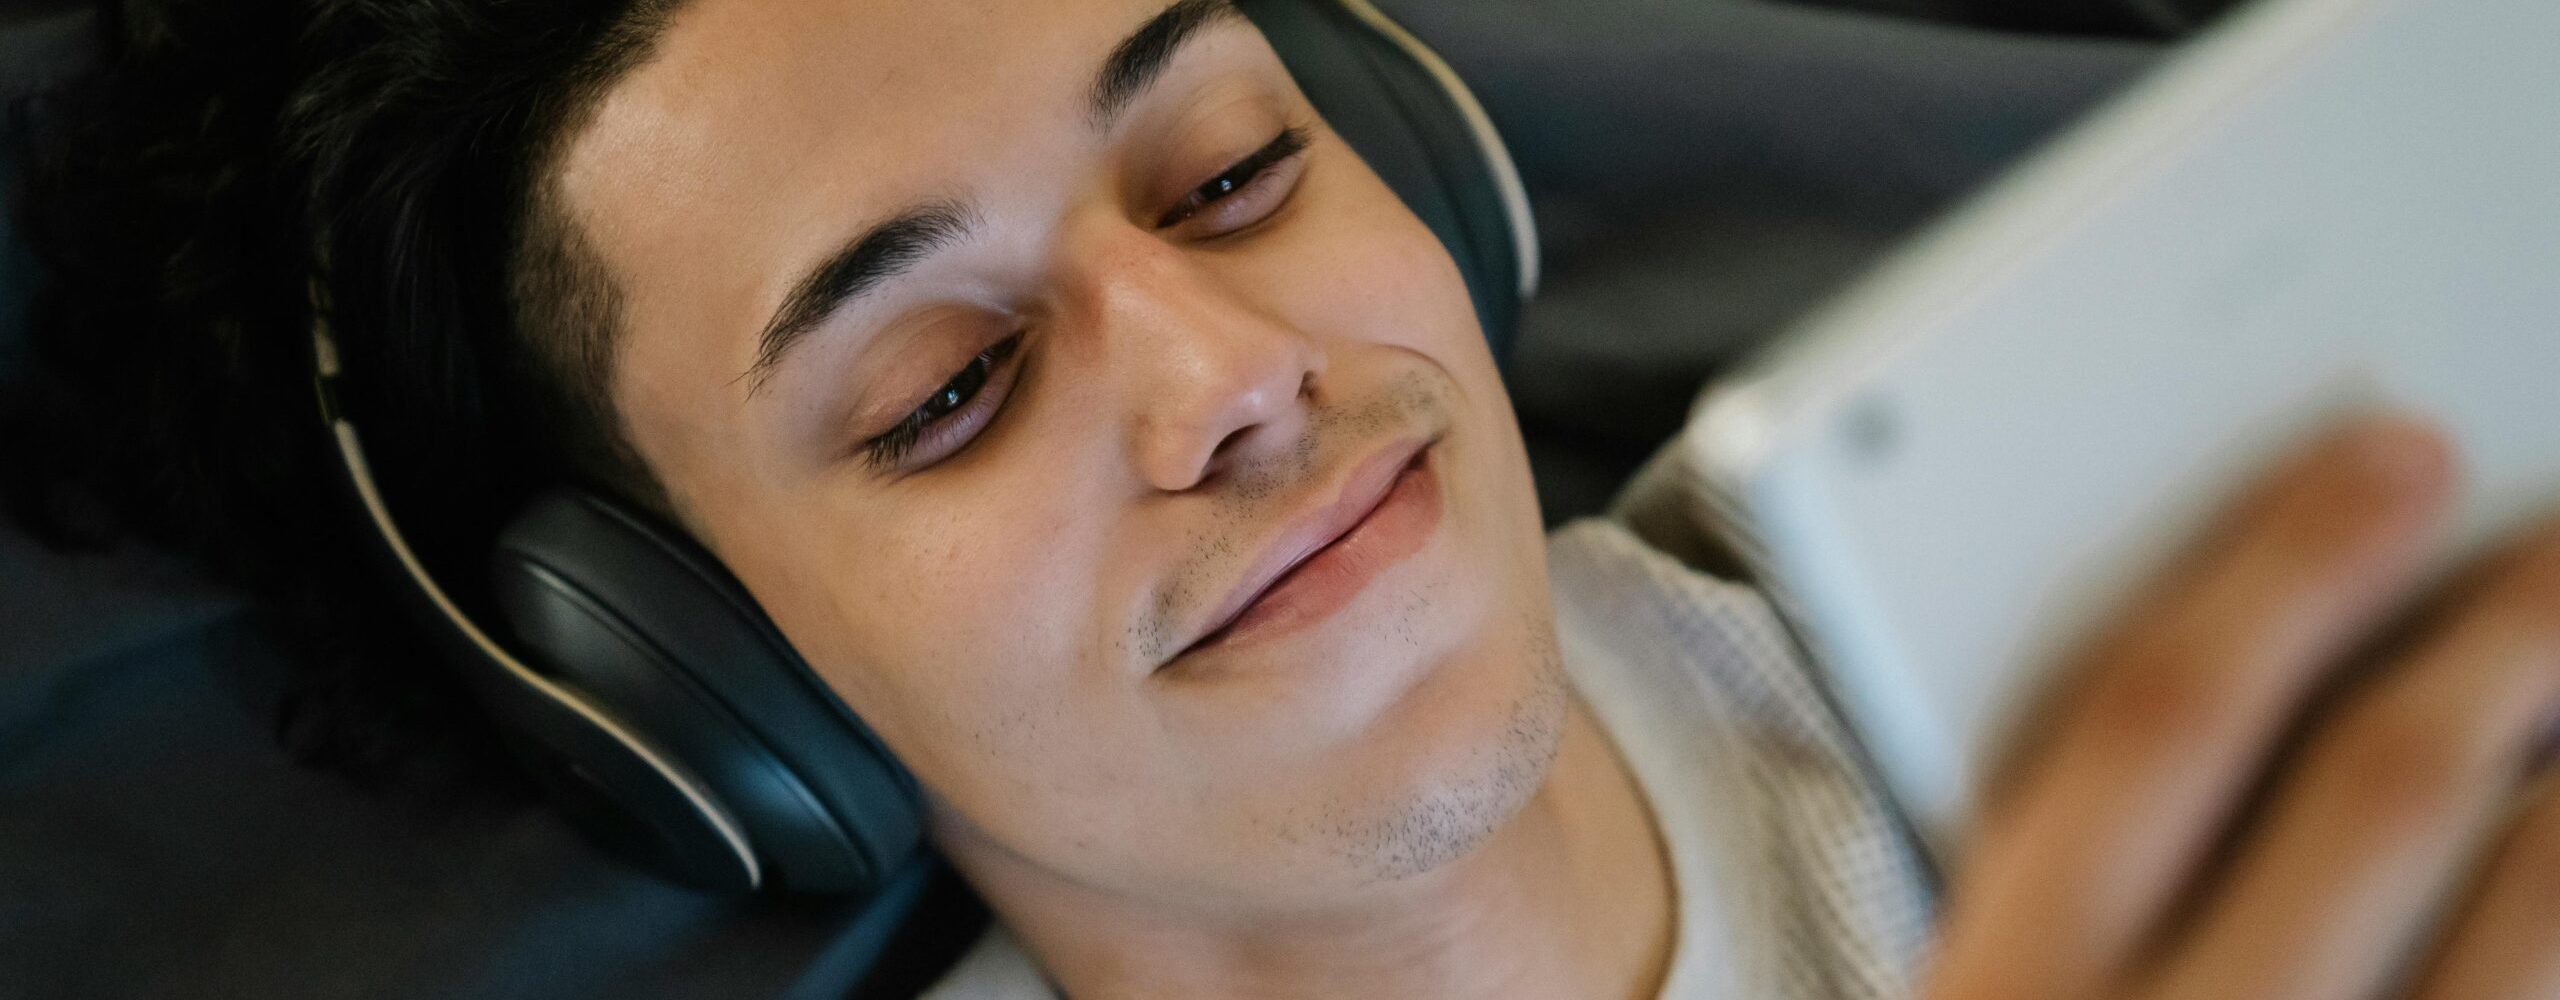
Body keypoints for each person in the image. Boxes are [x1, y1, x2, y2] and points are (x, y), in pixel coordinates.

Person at [10, 1, 2559, 997]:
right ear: (708, 680)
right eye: (946, 386)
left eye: (1226, 170)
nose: (1236, 376)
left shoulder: (2121, 601)